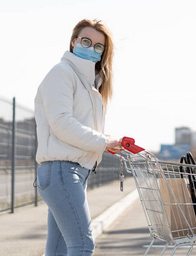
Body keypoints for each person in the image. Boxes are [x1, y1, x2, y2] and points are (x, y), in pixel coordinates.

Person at [34, 19, 121, 256]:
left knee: (58, 248)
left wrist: (106, 140)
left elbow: (78, 127)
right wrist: (102, 142)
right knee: (82, 245)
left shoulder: (90, 84)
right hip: (62, 171)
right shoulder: (62, 73)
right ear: (73, 42)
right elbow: (61, 124)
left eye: (98, 46)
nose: (91, 47)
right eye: (86, 41)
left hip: (71, 172)